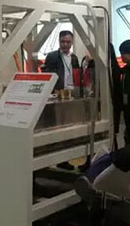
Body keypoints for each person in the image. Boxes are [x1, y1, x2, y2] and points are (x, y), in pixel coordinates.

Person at [42, 30, 80, 170]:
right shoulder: (52, 56)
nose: (65, 44)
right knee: (56, 127)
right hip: (57, 95)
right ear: (59, 41)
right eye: (63, 42)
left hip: (71, 95)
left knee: (69, 127)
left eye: (68, 42)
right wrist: (54, 90)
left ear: (72, 42)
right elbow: (48, 75)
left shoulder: (74, 58)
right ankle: (57, 158)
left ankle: (66, 159)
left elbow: (76, 75)